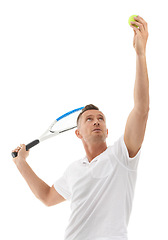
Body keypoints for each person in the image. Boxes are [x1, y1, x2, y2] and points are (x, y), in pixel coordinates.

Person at [12, 16, 149, 240]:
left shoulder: (122, 155)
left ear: (107, 131)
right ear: (78, 133)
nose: (96, 121)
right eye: (89, 119)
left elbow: (141, 109)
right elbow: (47, 197)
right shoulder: (74, 169)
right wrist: (21, 163)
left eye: (101, 119)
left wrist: (140, 54)